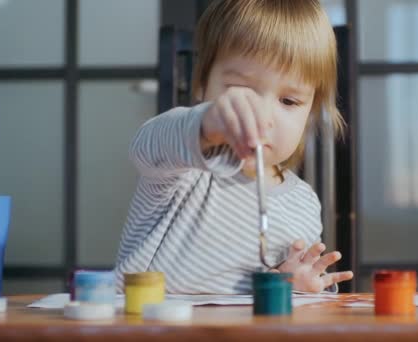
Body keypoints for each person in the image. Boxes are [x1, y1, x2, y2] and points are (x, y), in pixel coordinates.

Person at [114, 0, 353, 294]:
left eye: (288, 101)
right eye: (241, 92)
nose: (263, 117)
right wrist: (208, 123)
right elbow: (146, 147)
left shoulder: (303, 204)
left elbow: (293, 298)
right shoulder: (183, 166)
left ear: (310, 113)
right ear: (201, 85)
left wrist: (293, 282)